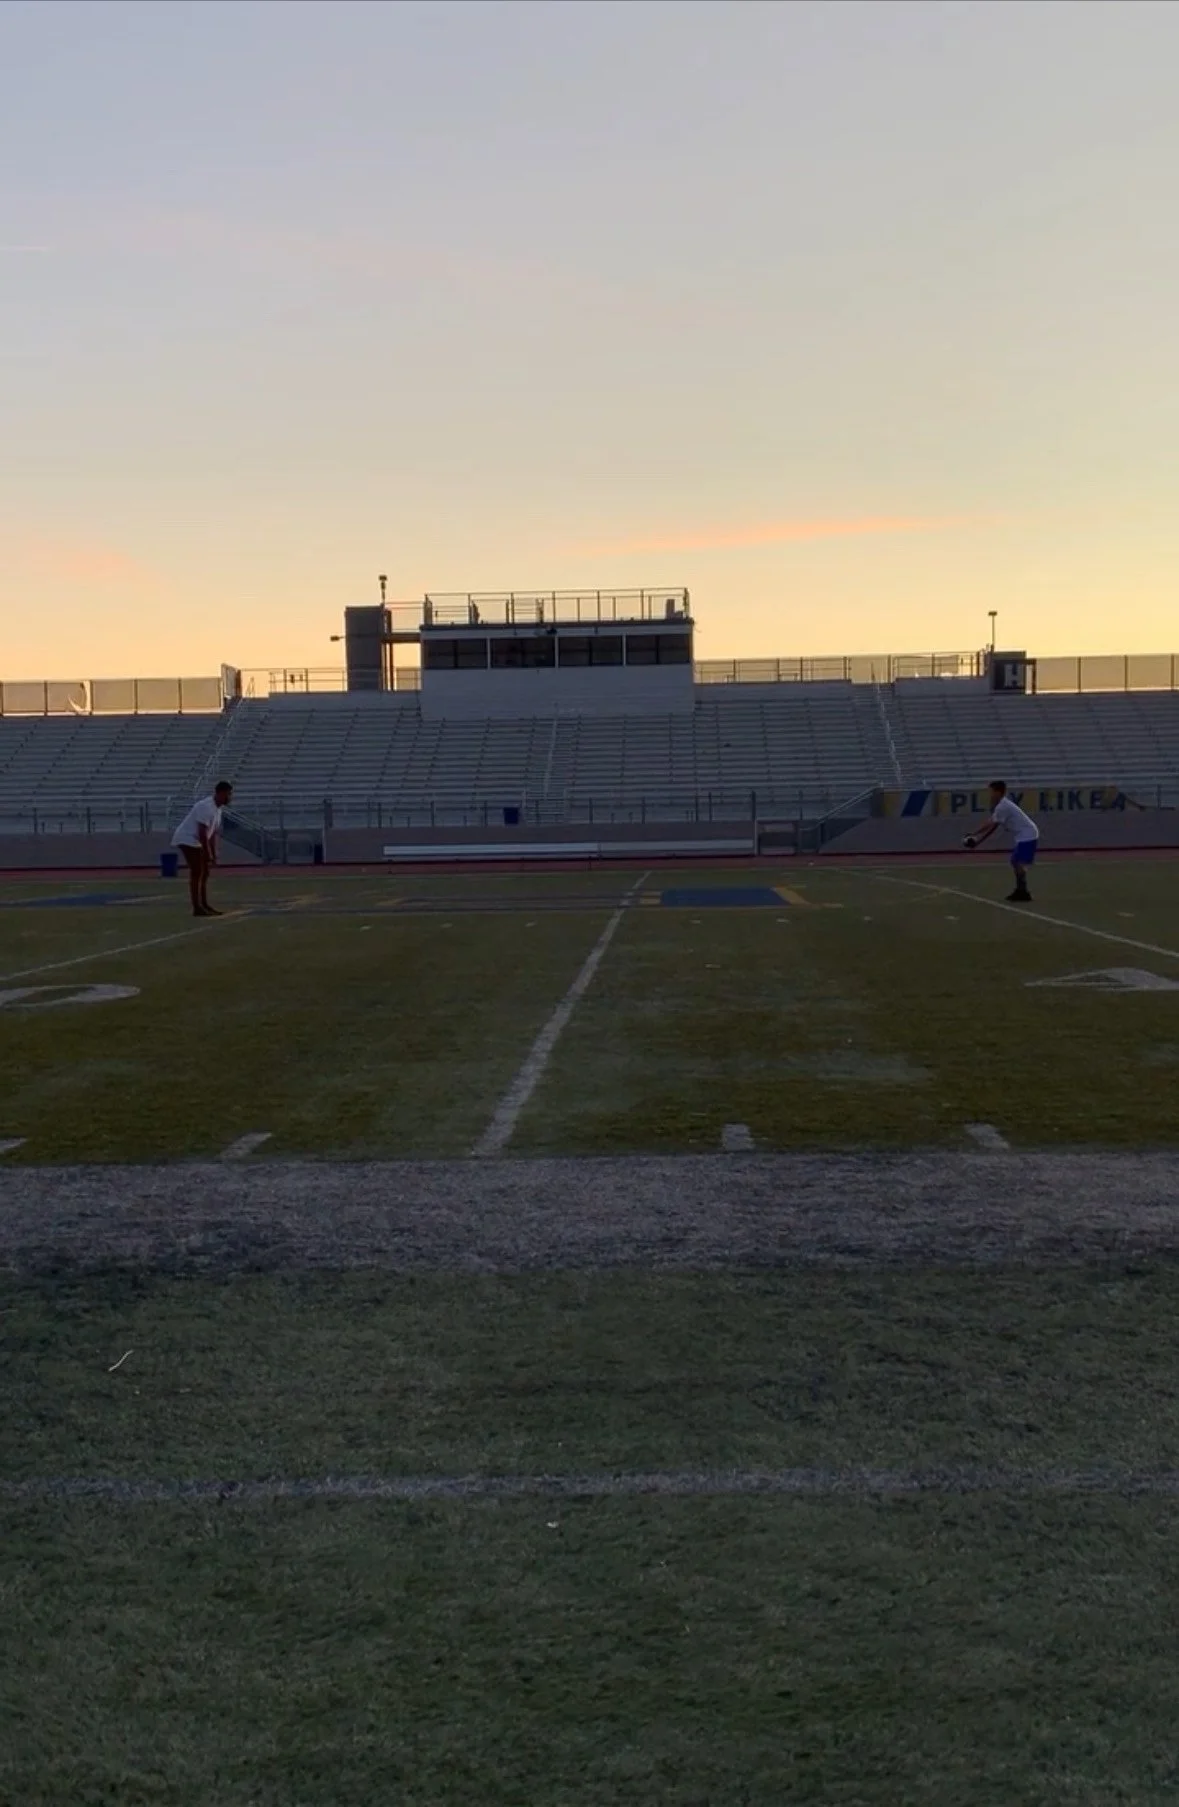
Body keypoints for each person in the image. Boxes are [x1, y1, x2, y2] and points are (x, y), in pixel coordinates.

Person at [962, 780, 1039, 902]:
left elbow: (993, 826)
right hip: (1023, 835)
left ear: (998, 792)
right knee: (1015, 861)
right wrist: (974, 833)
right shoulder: (1001, 806)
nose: (990, 794)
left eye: (991, 792)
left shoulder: (1003, 806)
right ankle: (1021, 890)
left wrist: (978, 841)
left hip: (1028, 834)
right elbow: (990, 821)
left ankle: (1023, 891)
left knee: (1018, 862)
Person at [171, 781, 233, 917]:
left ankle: (204, 904)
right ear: (220, 793)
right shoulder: (206, 806)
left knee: (205, 872)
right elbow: (202, 832)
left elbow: (212, 834)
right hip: (187, 839)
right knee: (197, 871)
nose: (230, 797)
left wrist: (213, 853)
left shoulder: (218, 810)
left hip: (197, 840)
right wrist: (207, 852)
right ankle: (197, 907)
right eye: (228, 794)